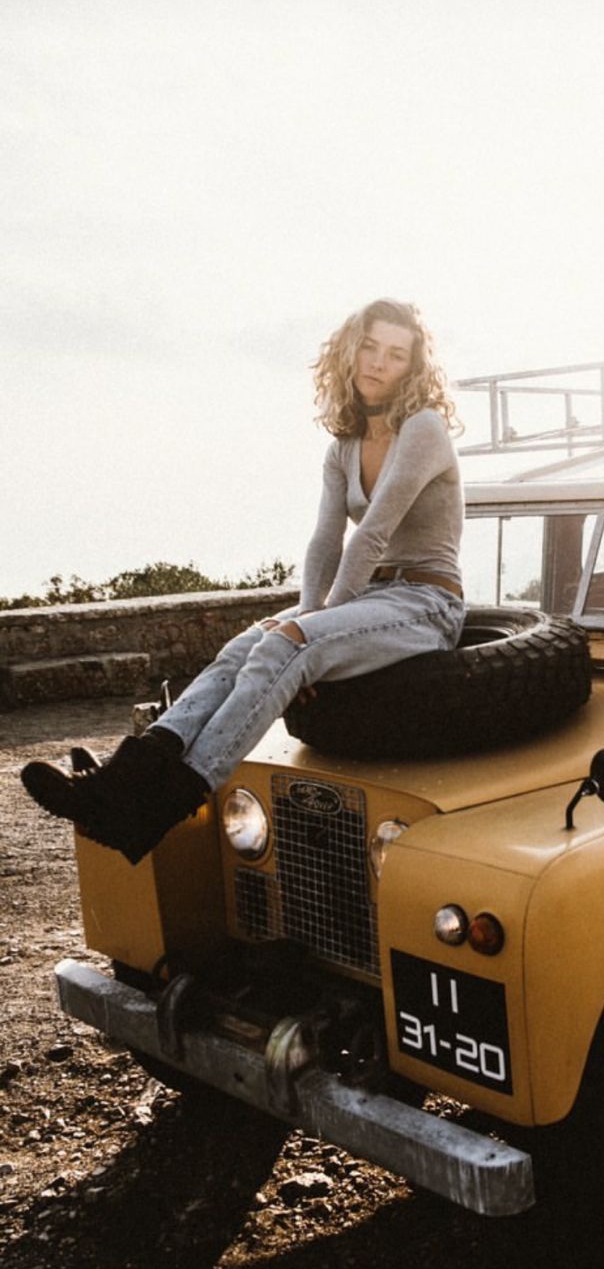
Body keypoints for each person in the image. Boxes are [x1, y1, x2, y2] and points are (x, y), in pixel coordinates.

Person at [21, 298, 465, 864]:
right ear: (352, 351)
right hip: (372, 599)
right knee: (245, 647)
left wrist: (311, 631)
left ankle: (159, 806)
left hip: (426, 602)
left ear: (413, 367)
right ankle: (126, 778)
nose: (378, 363)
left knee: (289, 642)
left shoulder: (423, 428)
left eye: (396, 355)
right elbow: (325, 541)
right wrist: (308, 612)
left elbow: (369, 536)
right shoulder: (344, 445)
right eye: (370, 347)